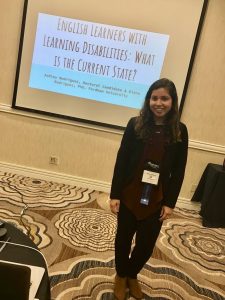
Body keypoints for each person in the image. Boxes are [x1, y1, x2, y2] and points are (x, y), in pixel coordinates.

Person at [110, 78, 188, 300]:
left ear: (173, 102)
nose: (159, 103)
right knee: (123, 239)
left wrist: (170, 203)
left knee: (145, 245)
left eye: (164, 98)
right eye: (154, 98)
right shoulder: (135, 124)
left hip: (157, 198)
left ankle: (130, 274)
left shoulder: (180, 130)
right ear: (148, 100)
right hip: (129, 194)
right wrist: (115, 194)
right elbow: (121, 161)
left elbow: (179, 171)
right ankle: (121, 276)